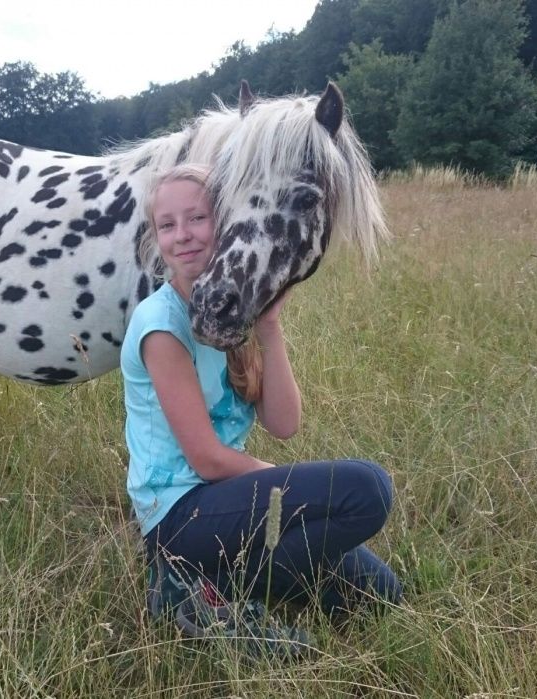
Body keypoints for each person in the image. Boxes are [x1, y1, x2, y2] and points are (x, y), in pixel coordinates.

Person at [120, 164, 402, 655]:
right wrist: (279, 486)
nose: (182, 236)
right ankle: (193, 586)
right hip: (179, 515)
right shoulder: (161, 325)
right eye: (167, 225)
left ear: (227, 223)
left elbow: (284, 423)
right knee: (367, 489)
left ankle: (213, 580)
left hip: (227, 500)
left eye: (197, 219)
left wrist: (269, 327)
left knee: (383, 594)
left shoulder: (231, 306)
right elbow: (206, 460)